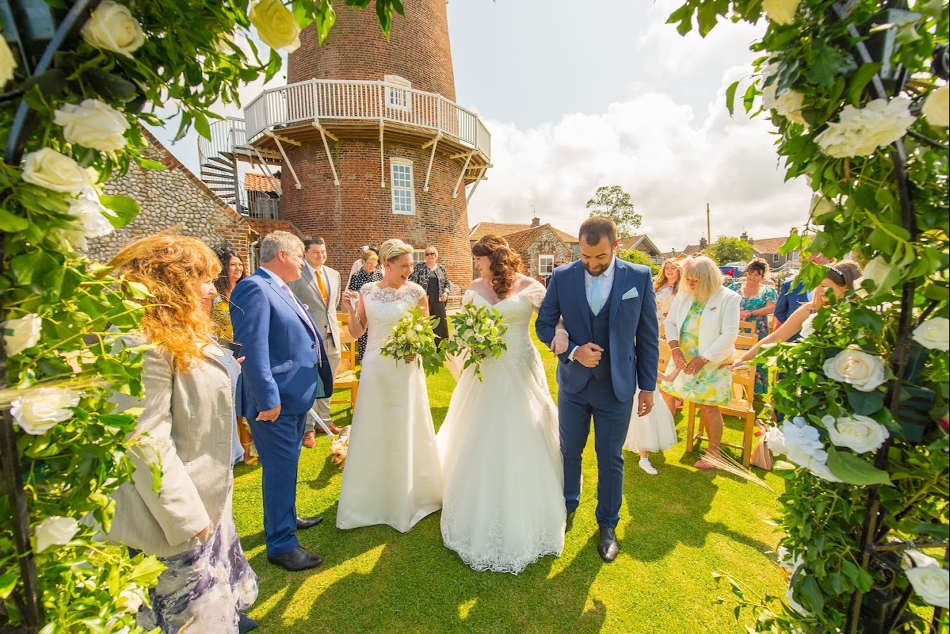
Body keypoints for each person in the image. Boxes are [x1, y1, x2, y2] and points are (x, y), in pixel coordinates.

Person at [105, 235, 258, 633]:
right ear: (171, 283)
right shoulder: (141, 344)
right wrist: (189, 520)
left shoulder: (181, 332)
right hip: (172, 519)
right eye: (204, 279)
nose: (213, 289)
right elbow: (145, 439)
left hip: (207, 498)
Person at [438, 235, 565, 574]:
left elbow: (555, 318)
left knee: (524, 425)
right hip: (488, 368)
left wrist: (564, 333)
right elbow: (464, 331)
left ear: (493, 258)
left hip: (520, 365)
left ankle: (529, 500)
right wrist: (471, 348)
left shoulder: (530, 286)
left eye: (479, 258)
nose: (475, 264)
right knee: (482, 428)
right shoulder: (473, 289)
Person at [536, 216, 660, 564]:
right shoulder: (562, 277)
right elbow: (544, 323)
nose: (591, 264)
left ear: (615, 246)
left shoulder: (638, 277)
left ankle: (607, 524)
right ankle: (567, 506)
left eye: (600, 258)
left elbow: (648, 336)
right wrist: (573, 349)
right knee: (570, 451)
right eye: (586, 257)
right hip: (574, 386)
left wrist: (647, 387)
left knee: (610, 459)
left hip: (617, 388)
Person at [230, 231, 334, 572]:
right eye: (300, 254)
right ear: (282, 255)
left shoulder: (279, 286)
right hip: (274, 402)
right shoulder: (255, 287)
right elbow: (254, 348)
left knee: (286, 467)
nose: (304, 260)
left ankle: (285, 519)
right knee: (278, 469)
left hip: (293, 397)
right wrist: (268, 399)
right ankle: (282, 545)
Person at [337, 239, 442, 532]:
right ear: (387, 265)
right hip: (375, 368)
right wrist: (350, 310)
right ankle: (372, 492)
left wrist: (416, 347)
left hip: (406, 369)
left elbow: (425, 334)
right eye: (404, 266)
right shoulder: (367, 291)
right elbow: (357, 331)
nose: (410, 270)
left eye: (411, 265)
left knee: (406, 425)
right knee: (375, 426)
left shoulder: (417, 293)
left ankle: (409, 491)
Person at [663, 256, 741, 470]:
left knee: (708, 406)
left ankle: (714, 453)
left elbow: (729, 334)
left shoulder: (729, 298)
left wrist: (703, 358)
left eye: (695, 280)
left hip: (712, 361)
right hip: (682, 356)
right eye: (688, 280)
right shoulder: (685, 294)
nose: (690, 284)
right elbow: (670, 322)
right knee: (667, 395)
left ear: (709, 278)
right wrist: (675, 348)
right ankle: (660, 437)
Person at [731, 261, 863, 368]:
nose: (820, 291)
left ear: (846, 288)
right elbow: (775, 337)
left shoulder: (859, 315)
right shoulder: (810, 309)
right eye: (820, 285)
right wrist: (742, 359)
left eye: (826, 287)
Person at [288, 237, 343, 446]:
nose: (320, 255)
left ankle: (325, 421)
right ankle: (308, 427)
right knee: (309, 384)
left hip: (331, 339)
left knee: (328, 382)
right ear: (306, 253)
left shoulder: (334, 275)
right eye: (315, 252)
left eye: (323, 251)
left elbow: (333, 306)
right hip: (308, 340)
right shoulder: (295, 275)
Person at [210, 246, 256, 466]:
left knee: (245, 400)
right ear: (223, 269)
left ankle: (248, 451)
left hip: (244, 349)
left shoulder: (245, 291)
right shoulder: (214, 295)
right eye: (232, 265)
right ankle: (228, 448)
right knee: (228, 404)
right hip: (221, 350)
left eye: (240, 264)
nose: (237, 268)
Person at [728, 258, 777, 394]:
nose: (752, 277)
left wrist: (751, 313)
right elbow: (725, 303)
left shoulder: (767, 290)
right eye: (750, 273)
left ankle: (754, 389)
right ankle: (734, 388)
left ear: (762, 276)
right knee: (734, 355)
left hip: (758, 330)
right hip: (736, 328)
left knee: (755, 357)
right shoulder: (735, 287)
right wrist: (738, 312)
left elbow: (771, 308)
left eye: (757, 274)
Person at [774, 254, 834, 343]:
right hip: (794, 340)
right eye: (811, 254)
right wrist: (794, 327)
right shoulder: (790, 285)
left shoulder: (836, 287)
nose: (814, 257)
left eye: (820, 254)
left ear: (831, 260)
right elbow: (779, 312)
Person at [347, 247, 383, 362]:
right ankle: (364, 362)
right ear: (363, 262)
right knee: (363, 337)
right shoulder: (356, 276)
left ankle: (377, 361)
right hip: (363, 311)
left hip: (377, 311)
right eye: (369, 263)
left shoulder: (379, 275)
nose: (372, 266)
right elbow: (352, 293)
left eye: (374, 263)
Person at [409, 245, 450, 345]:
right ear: (425, 256)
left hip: (438, 301)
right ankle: (423, 346)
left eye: (432, 253)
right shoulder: (419, 267)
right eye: (427, 254)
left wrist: (446, 292)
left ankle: (441, 347)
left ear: (436, 255)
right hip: (424, 301)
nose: (429, 256)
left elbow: (447, 283)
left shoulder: (441, 268)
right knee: (423, 324)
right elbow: (412, 282)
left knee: (441, 325)